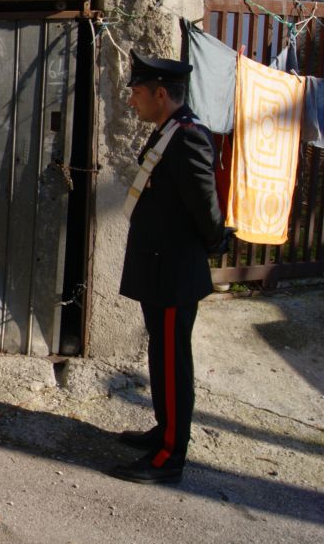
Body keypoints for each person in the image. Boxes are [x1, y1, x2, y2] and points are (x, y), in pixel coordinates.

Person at [110, 50, 225, 484]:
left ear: (162, 94)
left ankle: (170, 457)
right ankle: (164, 429)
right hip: (158, 269)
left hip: (175, 272)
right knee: (160, 356)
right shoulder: (167, 131)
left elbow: (206, 209)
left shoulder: (189, 136)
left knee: (175, 363)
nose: (132, 100)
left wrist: (212, 246)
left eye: (137, 92)